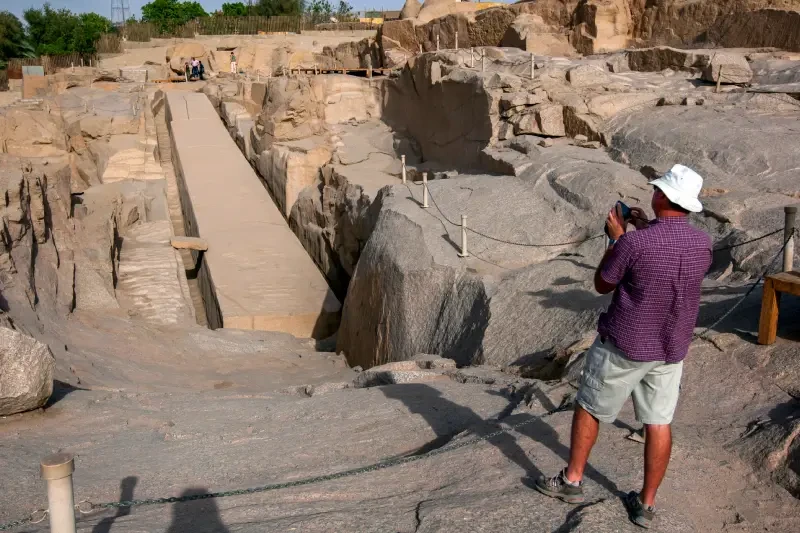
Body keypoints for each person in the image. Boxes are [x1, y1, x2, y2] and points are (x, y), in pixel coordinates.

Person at [534, 164, 712, 529]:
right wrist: (644, 227)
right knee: (659, 423)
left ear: (662, 195)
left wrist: (618, 239)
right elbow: (666, 257)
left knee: (588, 407)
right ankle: (645, 505)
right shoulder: (702, 244)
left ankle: (572, 481)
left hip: (625, 345)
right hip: (670, 348)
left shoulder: (634, 243)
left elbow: (603, 283)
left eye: (657, 189)